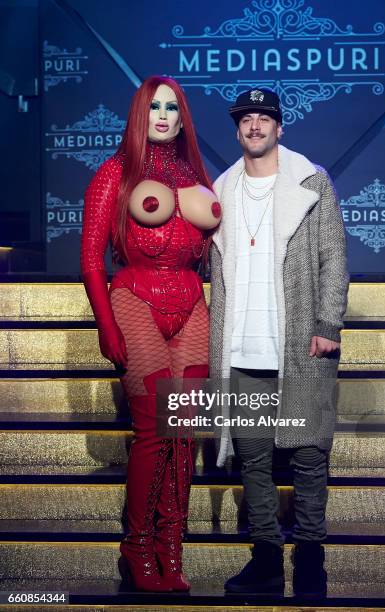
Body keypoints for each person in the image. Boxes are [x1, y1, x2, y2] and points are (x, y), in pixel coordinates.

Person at [80, 75, 221, 592]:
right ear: (140, 114)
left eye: (173, 108)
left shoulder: (194, 175)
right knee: (155, 429)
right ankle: (136, 544)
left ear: (183, 118)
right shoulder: (114, 173)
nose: (163, 115)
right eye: (154, 107)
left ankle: (170, 544)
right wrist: (105, 321)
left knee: (184, 433)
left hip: (191, 302)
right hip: (135, 298)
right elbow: (92, 258)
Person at [209, 88, 349, 598]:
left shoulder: (312, 182)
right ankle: (266, 559)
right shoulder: (219, 191)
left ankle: (311, 559)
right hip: (241, 347)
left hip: (299, 344)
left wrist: (328, 323)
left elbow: (333, 257)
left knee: (310, 456)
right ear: (237, 130)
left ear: (280, 128)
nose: (254, 126)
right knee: (254, 459)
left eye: (263, 118)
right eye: (246, 119)